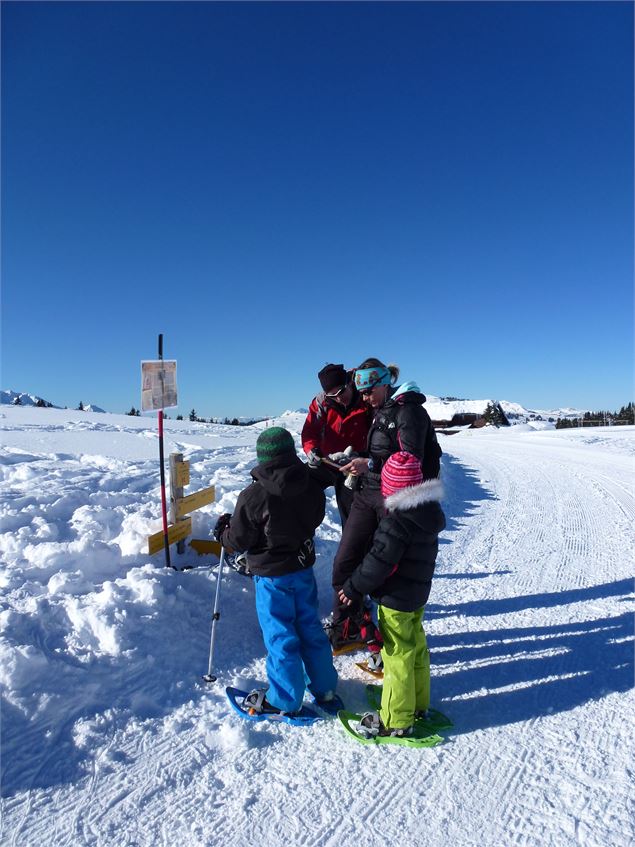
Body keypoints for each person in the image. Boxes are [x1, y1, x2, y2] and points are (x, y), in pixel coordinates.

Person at [215, 426, 338, 716]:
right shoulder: (309, 484)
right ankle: (325, 688)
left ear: (263, 458)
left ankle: (285, 699)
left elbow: (239, 540)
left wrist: (223, 532)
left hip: (272, 578)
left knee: (280, 634)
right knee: (310, 627)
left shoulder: (254, 495)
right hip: (302, 568)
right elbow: (317, 515)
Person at [326, 357, 442, 652]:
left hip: (393, 499)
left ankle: (390, 639)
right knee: (345, 561)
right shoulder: (383, 409)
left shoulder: (409, 411)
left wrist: (370, 462)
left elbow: (409, 459)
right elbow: (384, 450)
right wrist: (359, 457)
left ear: (383, 383)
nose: (365, 399)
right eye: (362, 393)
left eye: (368, 392)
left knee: (385, 566)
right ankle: (349, 624)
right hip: (368, 494)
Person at [338, 451, 445, 737]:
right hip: (417, 595)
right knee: (416, 649)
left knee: (397, 654)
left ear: (392, 488)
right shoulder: (427, 513)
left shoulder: (396, 522)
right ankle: (417, 704)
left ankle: (396, 720)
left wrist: (353, 587)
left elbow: (378, 563)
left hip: (396, 599)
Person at [301, 363, 371, 528]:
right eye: (332, 395)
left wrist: (363, 455)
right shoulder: (321, 403)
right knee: (298, 484)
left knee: (352, 513)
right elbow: (310, 432)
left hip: (355, 466)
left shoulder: (366, 397)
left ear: (348, 383)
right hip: (327, 461)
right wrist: (312, 451)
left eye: (341, 392)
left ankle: (354, 545)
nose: (339, 398)